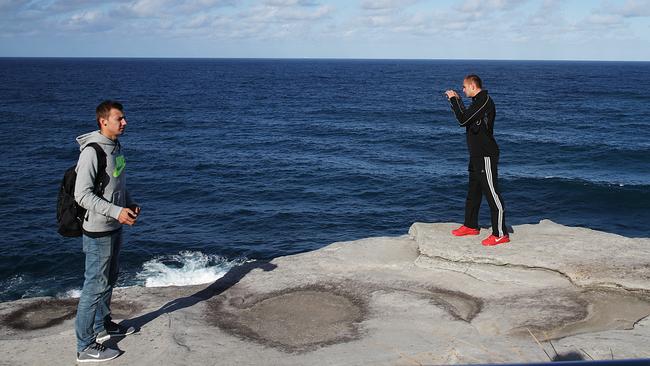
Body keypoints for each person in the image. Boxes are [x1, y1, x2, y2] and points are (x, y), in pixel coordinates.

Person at [74, 100, 140, 362]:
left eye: (123, 118)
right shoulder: (92, 151)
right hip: (98, 229)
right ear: (103, 122)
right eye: (119, 119)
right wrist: (116, 211)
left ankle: (102, 326)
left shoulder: (116, 147)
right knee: (94, 285)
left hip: (115, 226)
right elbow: (82, 195)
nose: (124, 122)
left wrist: (129, 203)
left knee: (109, 278)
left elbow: (117, 181)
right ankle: (84, 345)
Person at [445, 75, 509, 246]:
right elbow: (468, 117)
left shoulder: (484, 101)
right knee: (473, 192)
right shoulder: (477, 102)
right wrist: (458, 101)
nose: (463, 90)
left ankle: (500, 234)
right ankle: (471, 225)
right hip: (475, 155)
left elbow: (463, 120)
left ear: (473, 86)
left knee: (492, 194)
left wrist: (454, 100)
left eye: (464, 87)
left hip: (486, 155)